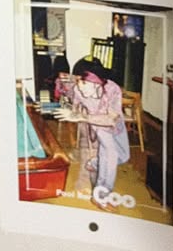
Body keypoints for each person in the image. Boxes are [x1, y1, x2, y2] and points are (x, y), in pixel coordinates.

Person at [53, 57, 130, 211]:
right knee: (110, 156)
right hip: (99, 126)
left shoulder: (112, 89)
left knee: (123, 156)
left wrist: (82, 117)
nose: (79, 86)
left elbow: (112, 119)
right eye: (78, 81)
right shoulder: (78, 89)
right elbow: (69, 93)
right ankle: (100, 196)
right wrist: (62, 85)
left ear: (96, 82)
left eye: (83, 82)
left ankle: (94, 164)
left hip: (115, 124)